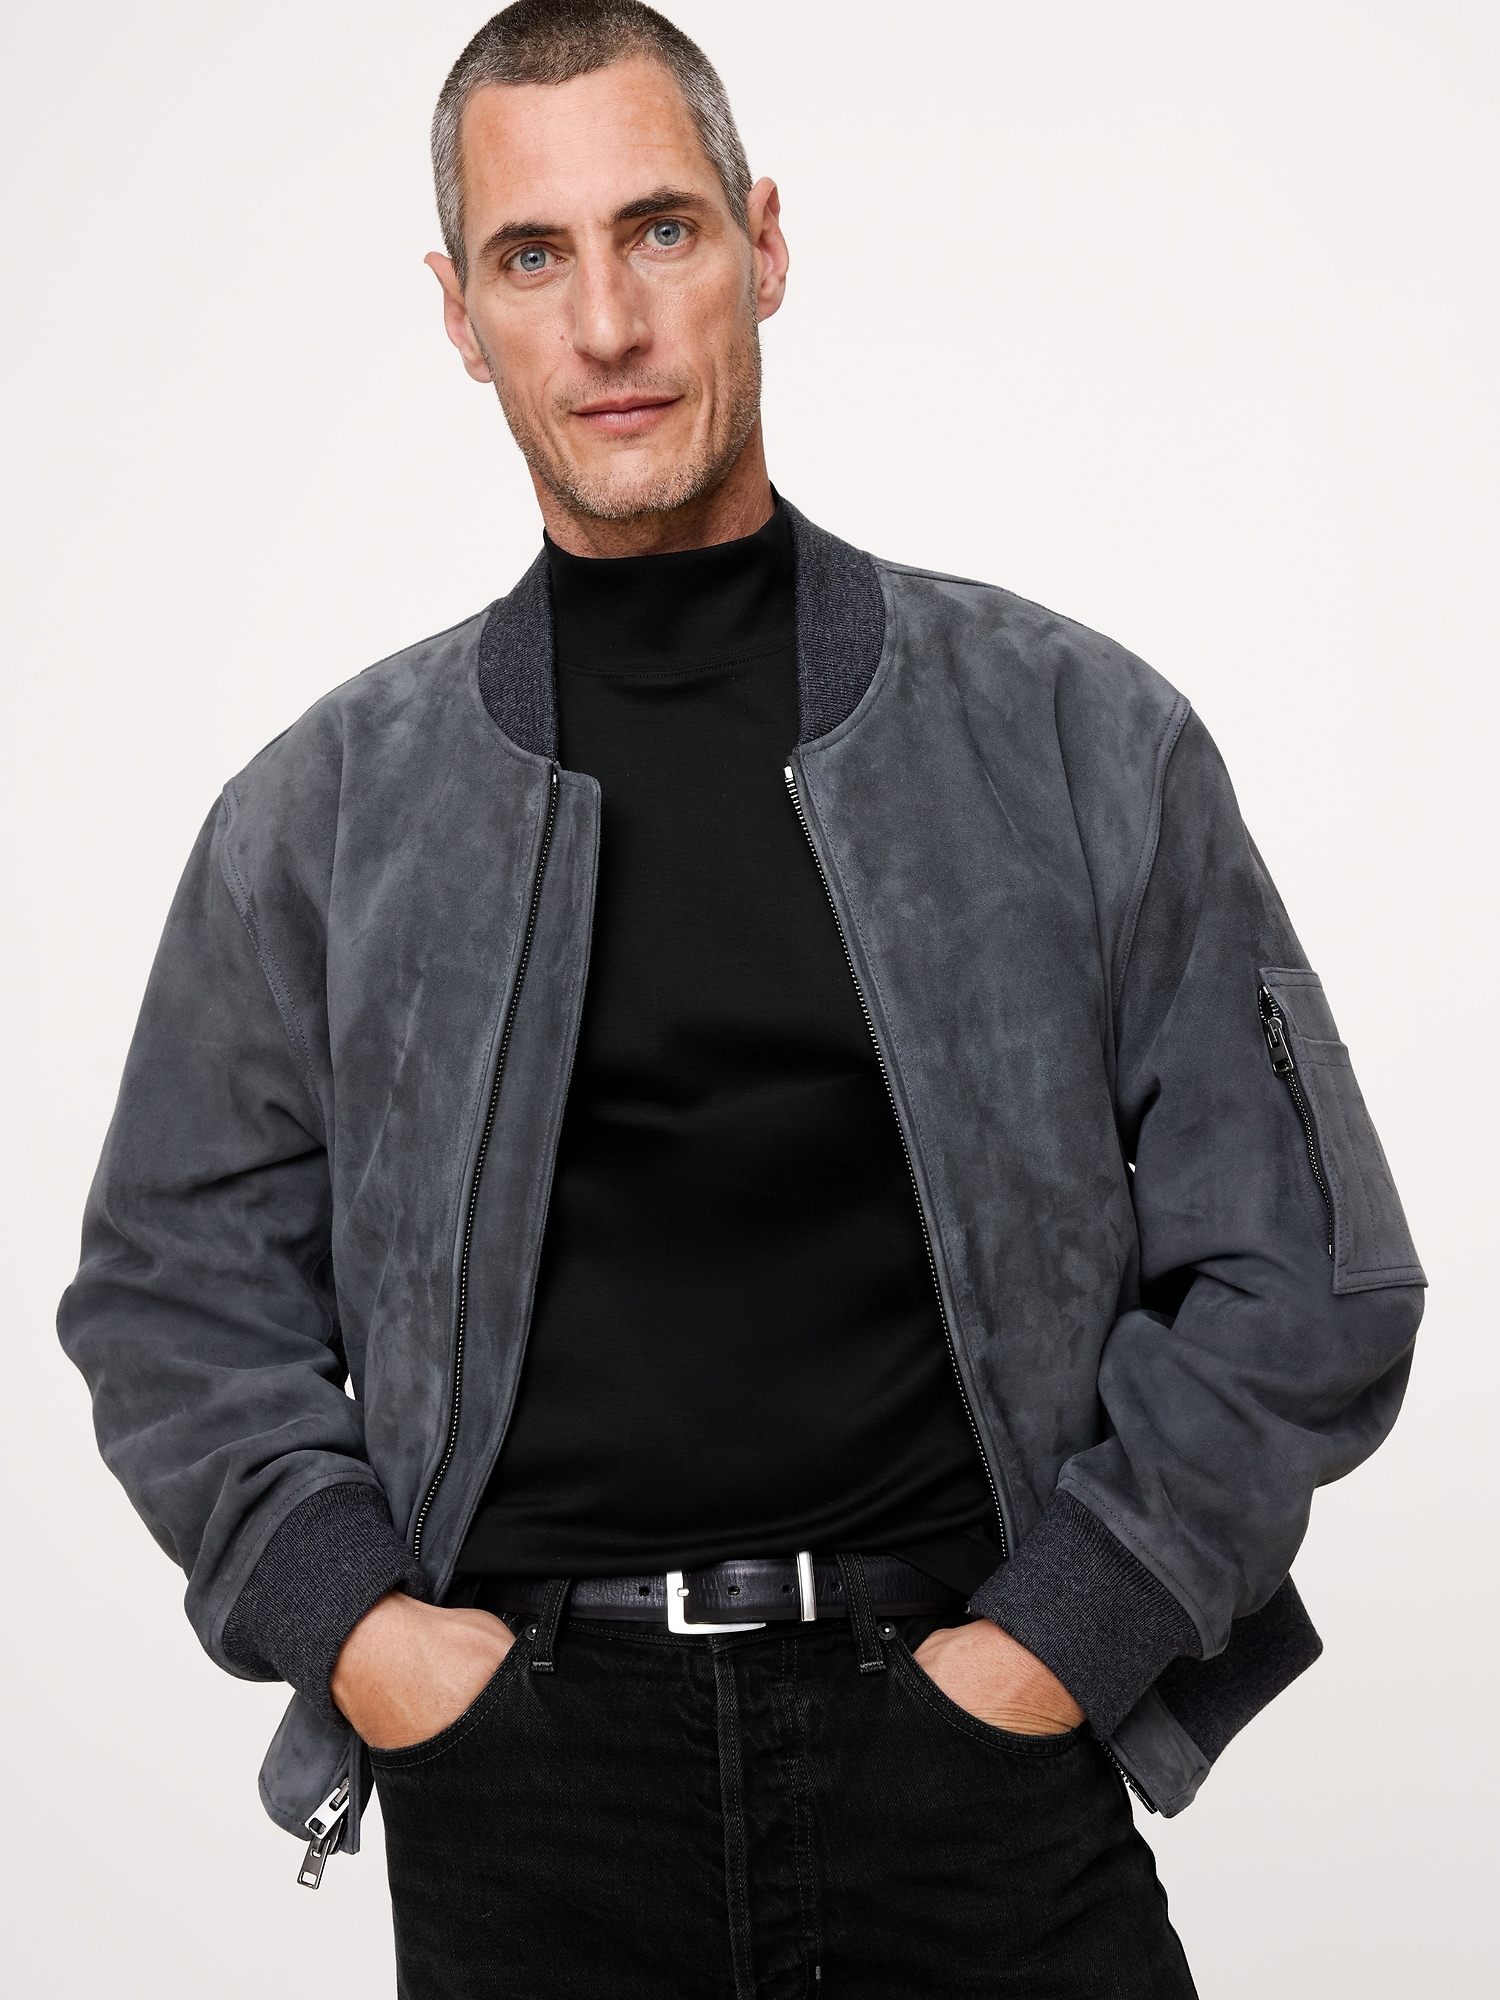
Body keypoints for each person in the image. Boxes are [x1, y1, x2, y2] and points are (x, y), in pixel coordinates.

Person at [59, 3, 1426, 1994]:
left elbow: (1308, 1266)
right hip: (528, 1801)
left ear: (765, 245)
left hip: (972, 1767)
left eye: (661, 230)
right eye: (534, 256)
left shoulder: (1074, 733)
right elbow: (168, 1293)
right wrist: (365, 1630)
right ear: (460, 316)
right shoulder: (323, 815)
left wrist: (1062, 1640)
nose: (607, 322)